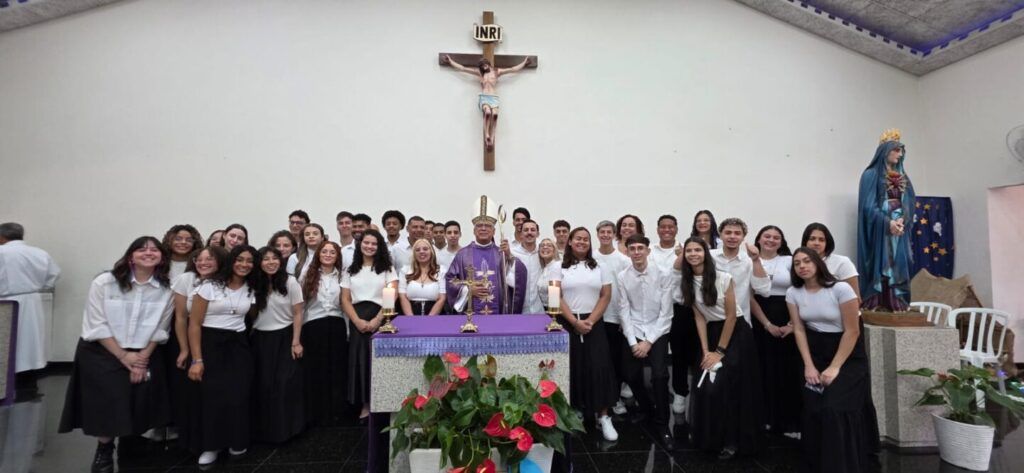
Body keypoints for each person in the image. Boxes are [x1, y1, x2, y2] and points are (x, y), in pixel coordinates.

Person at [58, 236, 173, 473]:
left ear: (162, 257)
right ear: (131, 255)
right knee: (108, 401)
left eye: (154, 250)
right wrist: (122, 356)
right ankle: (104, 449)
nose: (149, 253)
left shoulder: (165, 289)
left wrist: (141, 360)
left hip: (143, 350)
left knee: (139, 398)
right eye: (142, 249)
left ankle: (130, 441)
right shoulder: (105, 282)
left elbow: (162, 328)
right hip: (102, 350)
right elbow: (96, 323)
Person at [787, 247, 880, 472]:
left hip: (847, 354)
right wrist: (808, 366)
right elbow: (799, 329)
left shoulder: (841, 289)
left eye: (807, 261)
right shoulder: (793, 292)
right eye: (797, 263)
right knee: (814, 407)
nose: (802, 266)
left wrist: (834, 367)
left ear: (818, 263)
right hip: (815, 351)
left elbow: (852, 331)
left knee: (834, 408)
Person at [676, 237, 762, 459]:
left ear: (705, 252)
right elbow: (699, 318)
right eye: (689, 251)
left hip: (736, 335)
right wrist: (706, 351)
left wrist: (719, 352)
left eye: (697, 250)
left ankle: (732, 441)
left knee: (726, 387)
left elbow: (732, 316)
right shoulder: (686, 282)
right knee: (704, 386)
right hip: (711, 334)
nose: (693, 254)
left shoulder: (724, 278)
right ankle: (711, 439)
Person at [185, 245, 258, 466]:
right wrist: (197, 359)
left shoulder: (251, 288)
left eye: (249, 261)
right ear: (231, 261)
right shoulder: (209, 286)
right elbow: (194, 324)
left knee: (238, 395)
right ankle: (211, 446)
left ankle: (237, 440)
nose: (244, 265)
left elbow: (250, 317)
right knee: (212, 397)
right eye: (240, 260)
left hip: (238, 345)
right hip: (210, 344)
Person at [558, 227, 619, 442]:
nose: (582, 242)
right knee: (573, 366)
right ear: (570, 242)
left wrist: (590, 321)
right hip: (567, 322)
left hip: (594, 322)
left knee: (599, 367)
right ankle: (576, 410)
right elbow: (555, 297)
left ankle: (603, 416)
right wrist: (574, 322)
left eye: (586, 239)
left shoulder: (600, 267)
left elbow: (606, 296)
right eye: (578, 239)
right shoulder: (558, 266)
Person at [616, 235, 675, 450]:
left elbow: (666, 314)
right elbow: (624, 310)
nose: (637, 252)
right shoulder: (623, 276)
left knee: (659, 375)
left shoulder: (664, 273)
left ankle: (662, 424)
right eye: (632, 248)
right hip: (634, 329)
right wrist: (633, 343)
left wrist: (648, 342)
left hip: (657, 330)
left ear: (648, 251)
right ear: (628, 251)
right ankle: (648, 409)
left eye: (641, 248)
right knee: (630, 374)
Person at [168, 246, 228, 444]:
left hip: (220, 342)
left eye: (209, 259)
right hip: (190, 340)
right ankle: (196, 437)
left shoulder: (227, 281)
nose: (203, 263)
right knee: (194, 391)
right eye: (199, 259)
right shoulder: (186, 280)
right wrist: (185, 349)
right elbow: (181, 318)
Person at [749, 225, 801, 437]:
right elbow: (749, 296)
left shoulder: (790, 261)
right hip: (761, 319)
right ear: (759, 239)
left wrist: (791, 323)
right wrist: (767, 324)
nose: (771, 240)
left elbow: (800, 290)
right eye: (767, 236)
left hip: (789, 317)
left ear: (781, 242)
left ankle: (790, 422)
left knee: (788, 370)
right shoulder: (748, 261)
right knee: (763, 370)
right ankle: (766, 419)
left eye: (776, 237)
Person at [0, 222, 61, 401]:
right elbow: (54, 275)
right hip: (32, 300)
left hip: (5, 300)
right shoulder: (39, 253)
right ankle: (28, 383)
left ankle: (7, 383)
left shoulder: (2, 252)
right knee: (30, 343)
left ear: (2, 237)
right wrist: (39, 286)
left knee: (7, 343)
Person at [342, 229, 398, 421]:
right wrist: (357, 321)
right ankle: (365, 404)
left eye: (374, 243)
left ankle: (381, 402)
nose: (370, 246)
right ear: (360, 244)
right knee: (360, 361)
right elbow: (345, 299)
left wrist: (377, 320)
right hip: (357, 318)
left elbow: (392, 295)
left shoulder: (387, 268)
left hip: (380, 317)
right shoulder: (351, 270)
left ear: (379, 246)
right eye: (366, 243)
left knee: (376, 361)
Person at [250, 247, 305, 444]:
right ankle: (266, 431)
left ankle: (288, 430)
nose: (271, 262)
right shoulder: (253, 282)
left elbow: (298, 312)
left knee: (284, 384)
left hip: (286, 336)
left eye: (274, 258)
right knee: (265, 385)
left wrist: (296, 341)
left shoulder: (290, 282)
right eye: (266, 259)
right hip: (260, 339)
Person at [858, 128, 916, 312]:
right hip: (880, 228)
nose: (900, 154)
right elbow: (868, 206)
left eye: (901, 151)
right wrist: (887, 222)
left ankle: (897, 301)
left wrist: (902, 221)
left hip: (899, 227)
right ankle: (880, 301)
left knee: (899, 261)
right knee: (884, 262)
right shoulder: (871, 175)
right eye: (896, 150)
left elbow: (910, 201)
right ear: (885, 150)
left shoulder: (903, 176)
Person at [445, 196, 527, 315]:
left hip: (497, 313)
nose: (483, 228)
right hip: (470, 315)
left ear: (494, 231)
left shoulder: (501, 254)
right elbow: (450, 280)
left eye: (488, 226)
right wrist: (468, 290)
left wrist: (509, 256)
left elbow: (519, 277)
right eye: (479, 225)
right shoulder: (463, 254)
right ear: (474, 231)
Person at [301, 241, 349, 426]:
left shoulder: (342, 277)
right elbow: (302, 304)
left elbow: (344, 305)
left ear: (337, 256)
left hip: (336, 324)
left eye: (332, 252)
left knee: (336, 369)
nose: (328, 255)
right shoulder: (308, 274)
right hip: (314, 324)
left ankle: (336, 411)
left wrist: (346, 331)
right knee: (316, 369)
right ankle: (317, 413)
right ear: (319, 254)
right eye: (325, 252)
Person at [442, 54, 533, 150]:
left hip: (493, 97)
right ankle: (487, 135)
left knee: (495, 115)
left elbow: (512, 69)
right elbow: (463, 68)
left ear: (488, 64)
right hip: (484, 97)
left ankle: (493, 136)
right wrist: (450, 61)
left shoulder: (497, 72)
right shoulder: (480, 73)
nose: (484, 67)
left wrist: (524, 63)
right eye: (482, 66)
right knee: (488, 112)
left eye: (485, 65)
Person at [593, 220, 633, 415]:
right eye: (602, 232)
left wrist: (624, 319)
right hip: (595, 316)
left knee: (615, 362)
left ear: (614, 234)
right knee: (598, 362)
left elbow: (627, 290)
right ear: (598, 234)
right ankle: (596, 401)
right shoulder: (592, 257)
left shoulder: (623, 260)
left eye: (609, 232)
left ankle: (615, 399)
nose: (606, 235)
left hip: (616, 318)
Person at [710, 218, 770, 326]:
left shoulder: (750, 260)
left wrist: (756, 260)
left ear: (743, 237)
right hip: (712, 320)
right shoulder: (709, 256)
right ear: (720, 235)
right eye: (728, 233)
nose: (732, 236)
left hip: (741, 321)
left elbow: (764, 291)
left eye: (737, 233)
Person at [802, 223, 860, 300]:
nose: (817, 243)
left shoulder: (842, 262)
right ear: (805, 242)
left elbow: (855, 297)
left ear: (827, 243)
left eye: (821, 240)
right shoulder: (799, 263)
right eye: (812, 239)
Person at [399, 239, 447, 315]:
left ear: (431, 251)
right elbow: (402, 296)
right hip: (410, 314)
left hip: (434, 315)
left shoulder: (441, 270)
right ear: (414, 254)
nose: (421, 252)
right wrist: (411, 319)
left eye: (425, 249)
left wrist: (428, 320)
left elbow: (442, 298)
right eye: (417, 250)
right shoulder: (405, 270)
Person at [510, 219, 543, 314]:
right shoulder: (512, 253)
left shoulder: (543, 253)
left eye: (533, 230)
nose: (529, 232)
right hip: (518, 310)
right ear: (521, 234)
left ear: (537, 234)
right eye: (526, 230)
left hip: (539, 310)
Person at [536, 238, 561, 308]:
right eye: (542, 245)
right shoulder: (544, 268)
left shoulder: (557, 266)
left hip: (555, 310)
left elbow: (554, 299)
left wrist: (553, 315)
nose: (545, 247)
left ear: (554, 250)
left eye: (549, 245)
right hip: (545, 309)